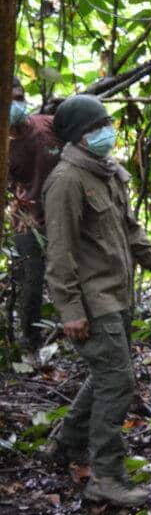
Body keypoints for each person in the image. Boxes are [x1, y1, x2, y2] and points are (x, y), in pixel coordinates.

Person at [41, 95, 151, 506]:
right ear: (80, 136)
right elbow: (59, 253)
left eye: (108, 122)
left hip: (118, 295)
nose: (109, 130)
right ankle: (106, 476)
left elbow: (132, 234)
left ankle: (66, 442)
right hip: (92, 301)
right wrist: (69, 311)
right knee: (117, 381)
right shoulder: (66, 181)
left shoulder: (106, 173)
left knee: (107, 374)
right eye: (99, 125)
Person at [7, 75, 65, 352]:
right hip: (27, 221)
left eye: (18, 99)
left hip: (65, 214)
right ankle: (31, 345)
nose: (15, 106)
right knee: (31, 282)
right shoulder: (5, 147)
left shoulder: (48, 125)